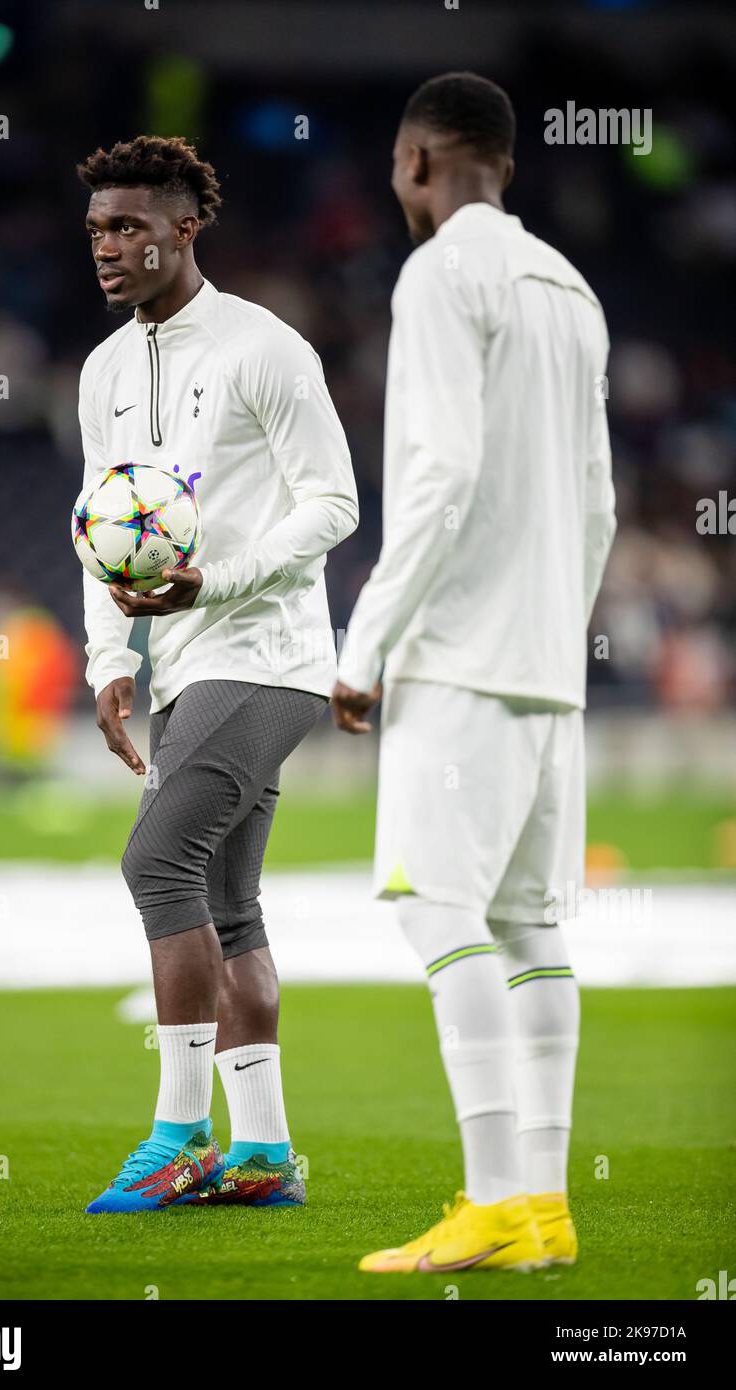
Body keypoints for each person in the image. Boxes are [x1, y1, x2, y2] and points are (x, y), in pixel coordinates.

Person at [332, 73, 616, 1272]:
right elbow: (598, 502)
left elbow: (439, 477)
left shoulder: (441, 273)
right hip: (549, 664)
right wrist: (558, 624)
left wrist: (365, 645)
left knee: (439, 913)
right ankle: (543, 1208)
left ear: (414, 162)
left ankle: (494, 1195)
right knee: (531, 931)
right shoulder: (571, 288)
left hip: (459, 660)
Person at [77, 136, 358, 1212]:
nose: (108, 246)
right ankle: (262, 1154)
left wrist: (220, 581)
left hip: (272, 655)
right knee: (225, 905)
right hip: (187, 666)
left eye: (131, 226)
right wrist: (112, 660)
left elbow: (332, 502)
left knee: (155, 863)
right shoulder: (104, 371)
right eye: (99, 228)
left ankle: (178, 1132)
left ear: (188, 225)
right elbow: (101, 534)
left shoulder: (263, 348)